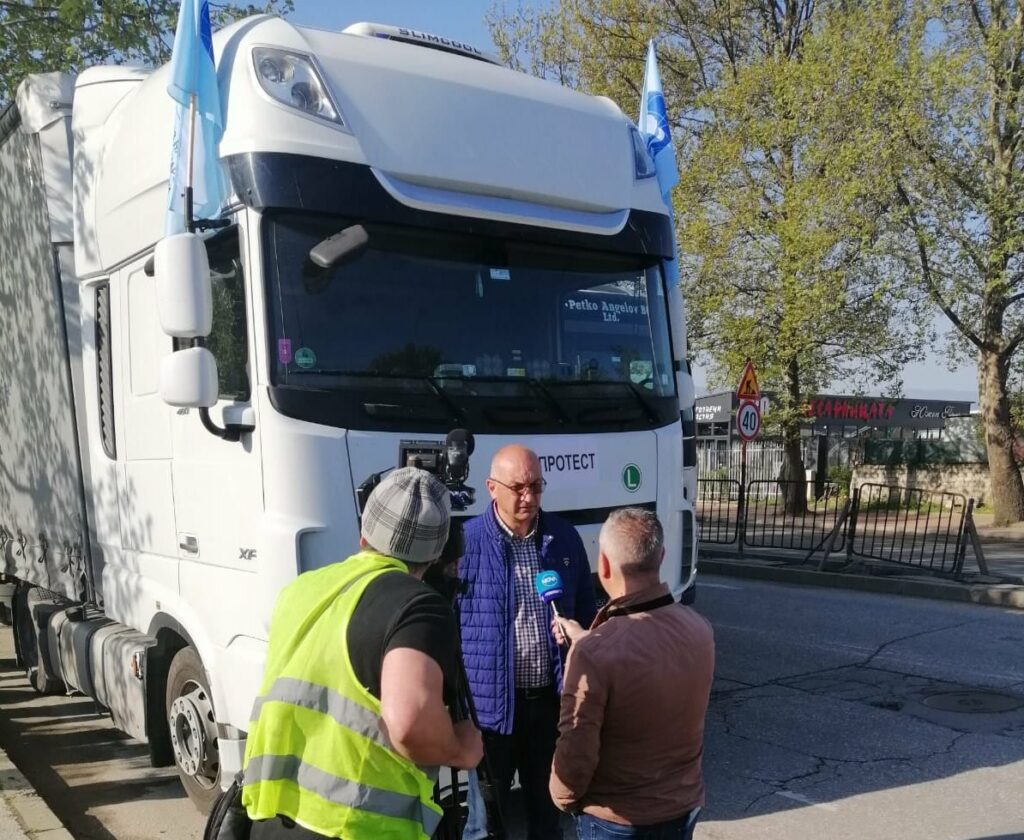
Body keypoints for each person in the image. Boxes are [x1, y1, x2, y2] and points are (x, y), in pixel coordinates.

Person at [241, 467, 483, 840]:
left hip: (272, 817)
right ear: (438, 553)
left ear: (364, 532)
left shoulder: (301, 589)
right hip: (358, 827)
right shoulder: (418, 607)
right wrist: (460, 750)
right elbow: (410, 725)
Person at [549, 507, 714, 840]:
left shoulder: (595, 654)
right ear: (662, 556)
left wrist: (562, 797)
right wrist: (586, 639)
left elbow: (576, 754)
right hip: (683, 806)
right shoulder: (700, 629)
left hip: (616, 819)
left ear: (604, 565)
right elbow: (645, 656)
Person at [458, 444, 596, 840]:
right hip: (490, 715)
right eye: (518, 487)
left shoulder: (563, 538)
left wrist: (575, 633)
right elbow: (448, 627)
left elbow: (587, 609)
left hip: (549, 707)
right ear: (491, 488)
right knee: (486, 825)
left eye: (536, 486)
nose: (529, 497)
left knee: (547, 819)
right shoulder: (466, 544)